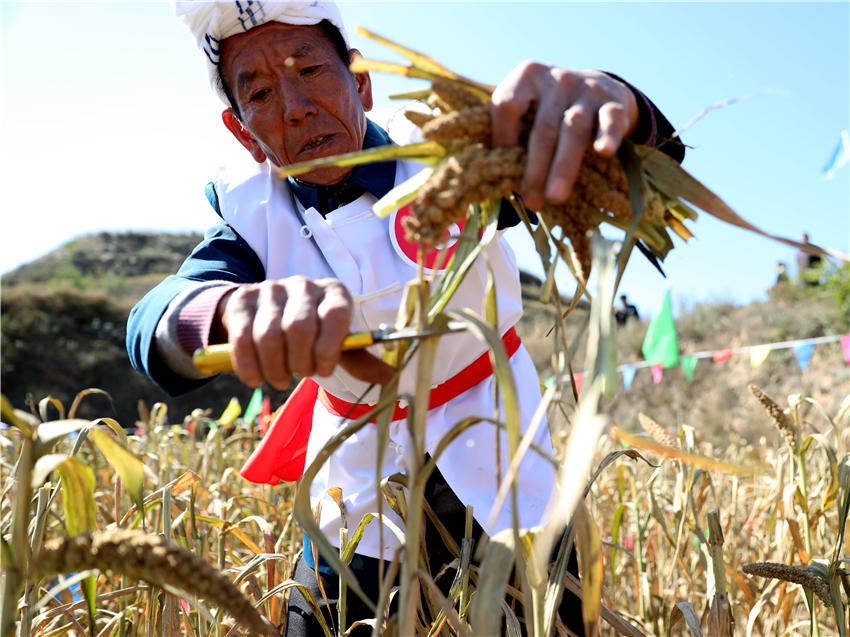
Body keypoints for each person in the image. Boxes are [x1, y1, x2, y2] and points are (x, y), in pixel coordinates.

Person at [126, 2, 685, 634]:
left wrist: (619, 107)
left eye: (309, 69)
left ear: (359, 80)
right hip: (353, 479)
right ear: (241, 129)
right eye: (260, 92)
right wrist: (226, 312)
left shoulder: (450, 153)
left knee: (542, 616)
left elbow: (629, 168)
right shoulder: (250, 215)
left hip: (497, 444)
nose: (295, 106)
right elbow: (158, 320)